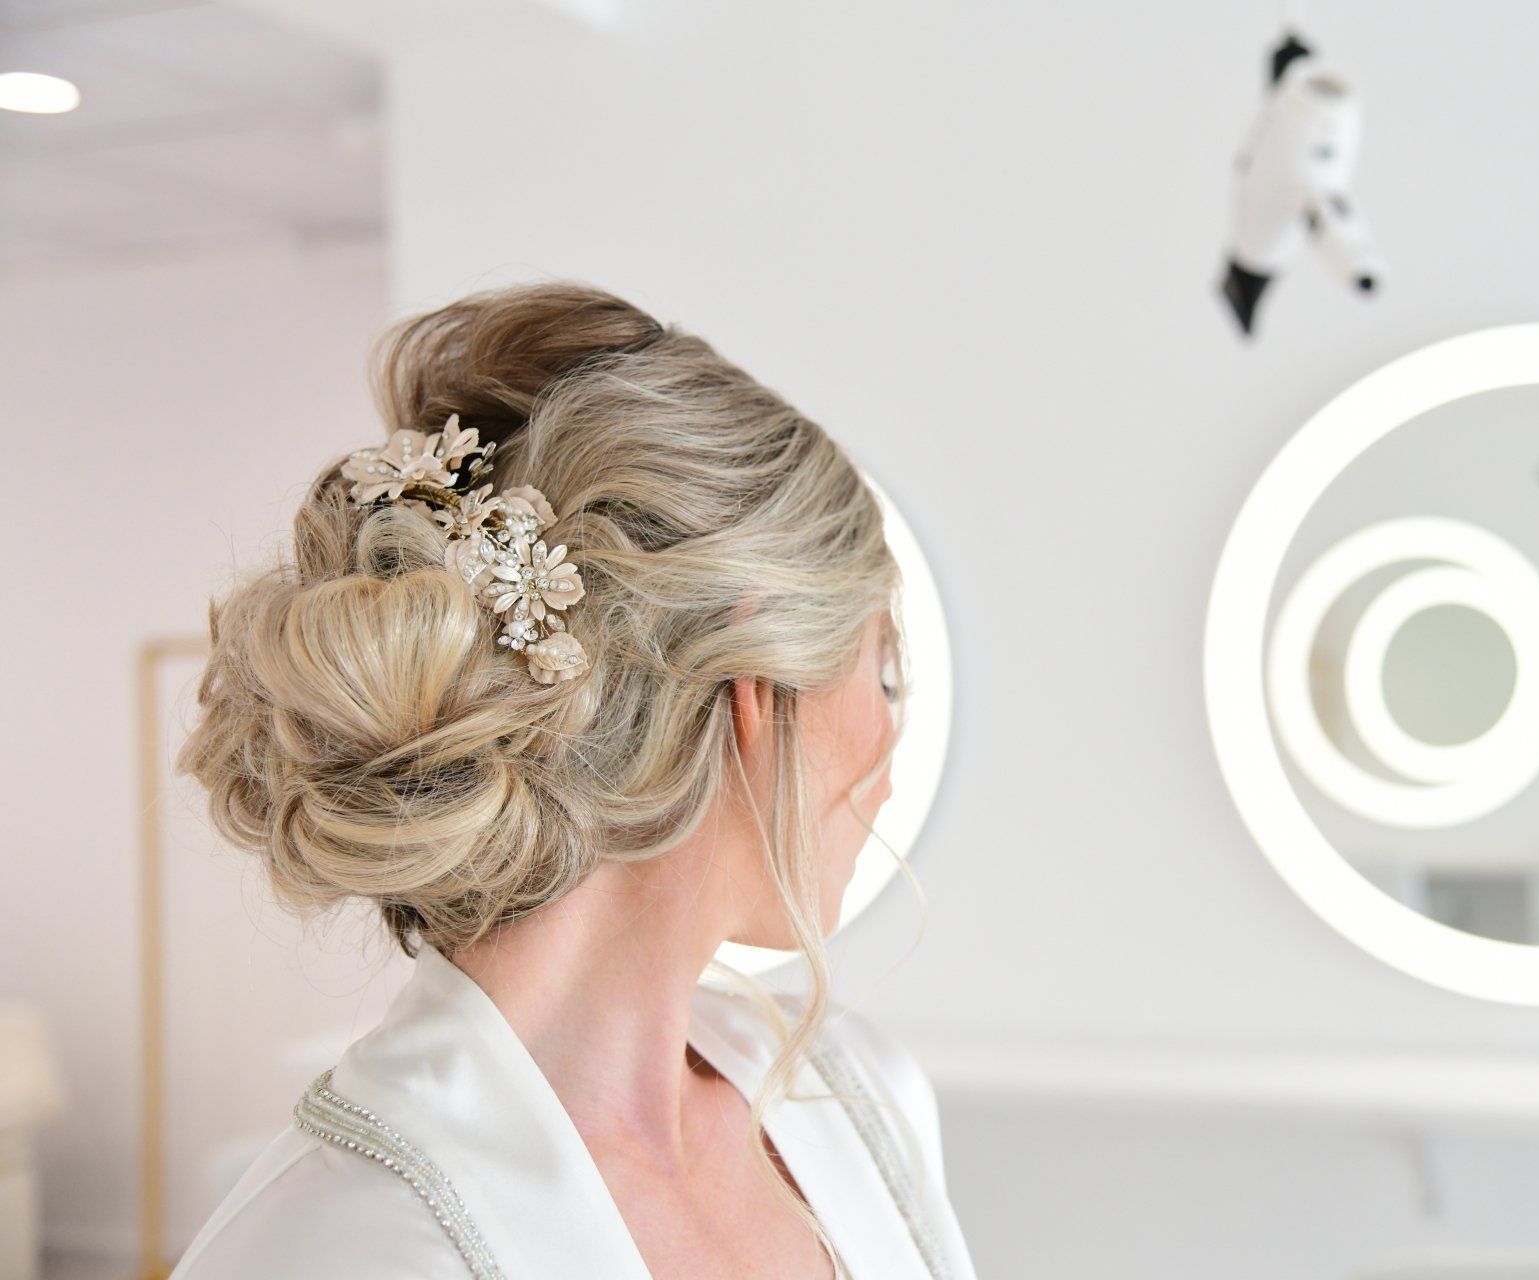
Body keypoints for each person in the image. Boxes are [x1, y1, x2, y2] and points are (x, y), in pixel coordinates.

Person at [169, 283, 976, 1279]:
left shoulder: (859, 1105)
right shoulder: (344, 1249)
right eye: (882, 674)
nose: (888, 757)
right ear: (757, 685)